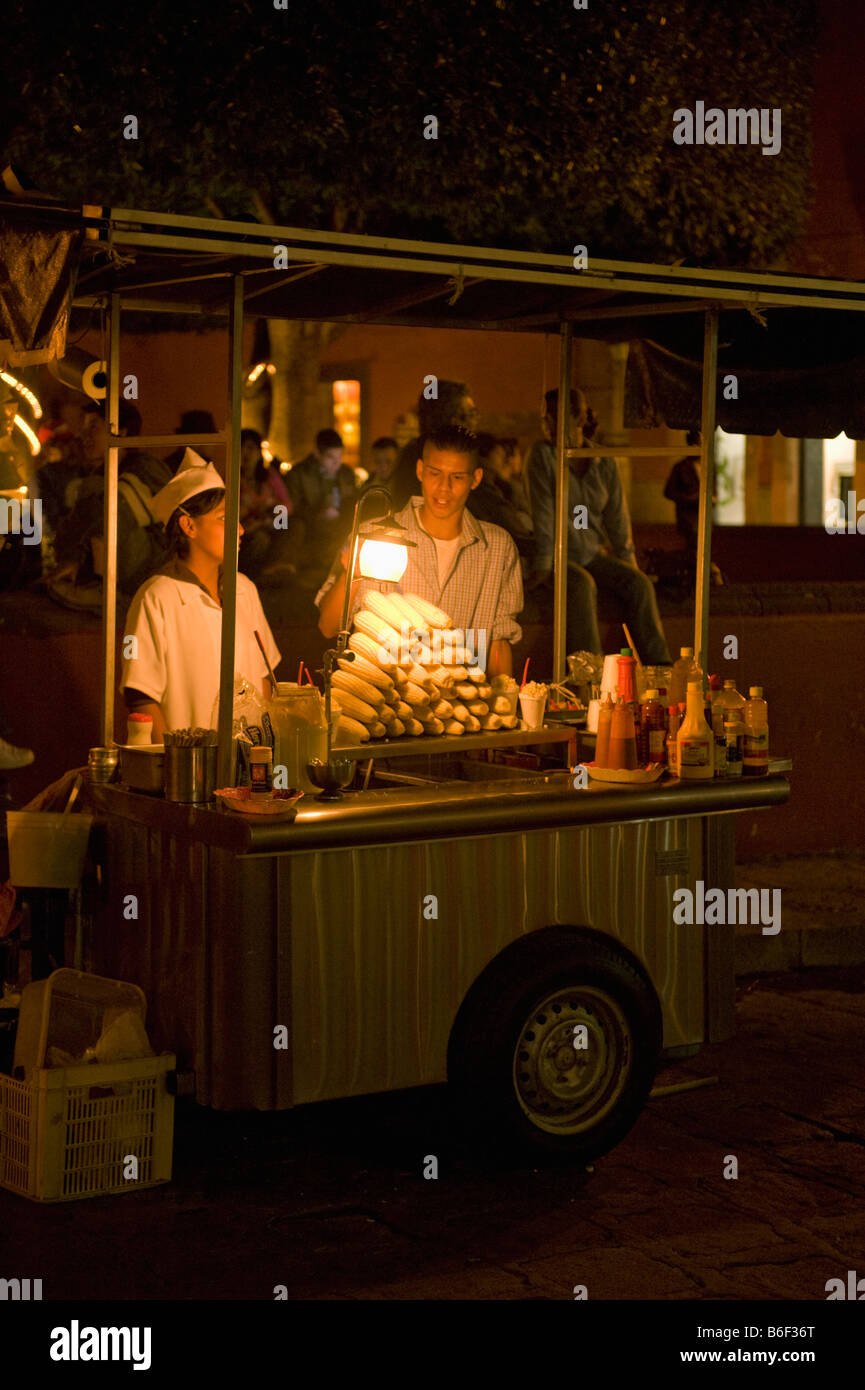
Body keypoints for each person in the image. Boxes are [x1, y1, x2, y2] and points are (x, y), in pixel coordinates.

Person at [316, 424, 522, 676]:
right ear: (420, 470)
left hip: (465, 704)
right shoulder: (373, 539)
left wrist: (504, 703)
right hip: (387, 703)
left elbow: (498, 641)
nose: (444, 487)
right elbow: (328, 627)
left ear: (476, 479)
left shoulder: (497, 548)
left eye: (457, 477)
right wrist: (353, 576)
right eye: (435, 473)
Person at [120, 450, 281, 741]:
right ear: (189, 525)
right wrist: (180, 767)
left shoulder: (244, 589)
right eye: (224, 518)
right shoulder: (157, 597)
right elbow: (141, 696)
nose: (240, 529)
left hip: (248, 769)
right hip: (189, 773)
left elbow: (264, 679)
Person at [525, 388, 670, 664]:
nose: (550, 425)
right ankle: (590, 675)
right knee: (581, 585)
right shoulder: (542, 457)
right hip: (556, 555)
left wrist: (628, 563)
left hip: (590, 553)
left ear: (579, 418)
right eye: (546, 418)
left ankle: (660, 669)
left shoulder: (603, 461)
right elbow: (542, 514)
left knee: (639, 585)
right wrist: (543, 566)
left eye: (557, 417)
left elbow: (617, 518)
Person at [388, 380, 480, 510]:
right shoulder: (463, 458)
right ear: (453, 420)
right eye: (471, 414)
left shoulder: (411, 453)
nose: (475, 422)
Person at [283, 428, 357, 580]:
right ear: (317, 454)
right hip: (310, 522)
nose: (337, 463)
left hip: (339, 523)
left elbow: (352, 500)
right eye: (331, 457)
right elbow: (290, 507)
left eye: (340, 457)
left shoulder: (345, 473)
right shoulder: (299, 473)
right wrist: (318, 514)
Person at [238, 428, 296, 581]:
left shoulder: (269, 475)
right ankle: (259, 574)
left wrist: (273, 512)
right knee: (260, 539)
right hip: (248, 528)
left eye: (250, 448)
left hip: (272, 522)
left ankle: (279, 564)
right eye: (241, 447)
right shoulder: (233, 478)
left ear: (258, 452)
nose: (245, 453)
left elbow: (286, 504)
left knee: (294, 527)